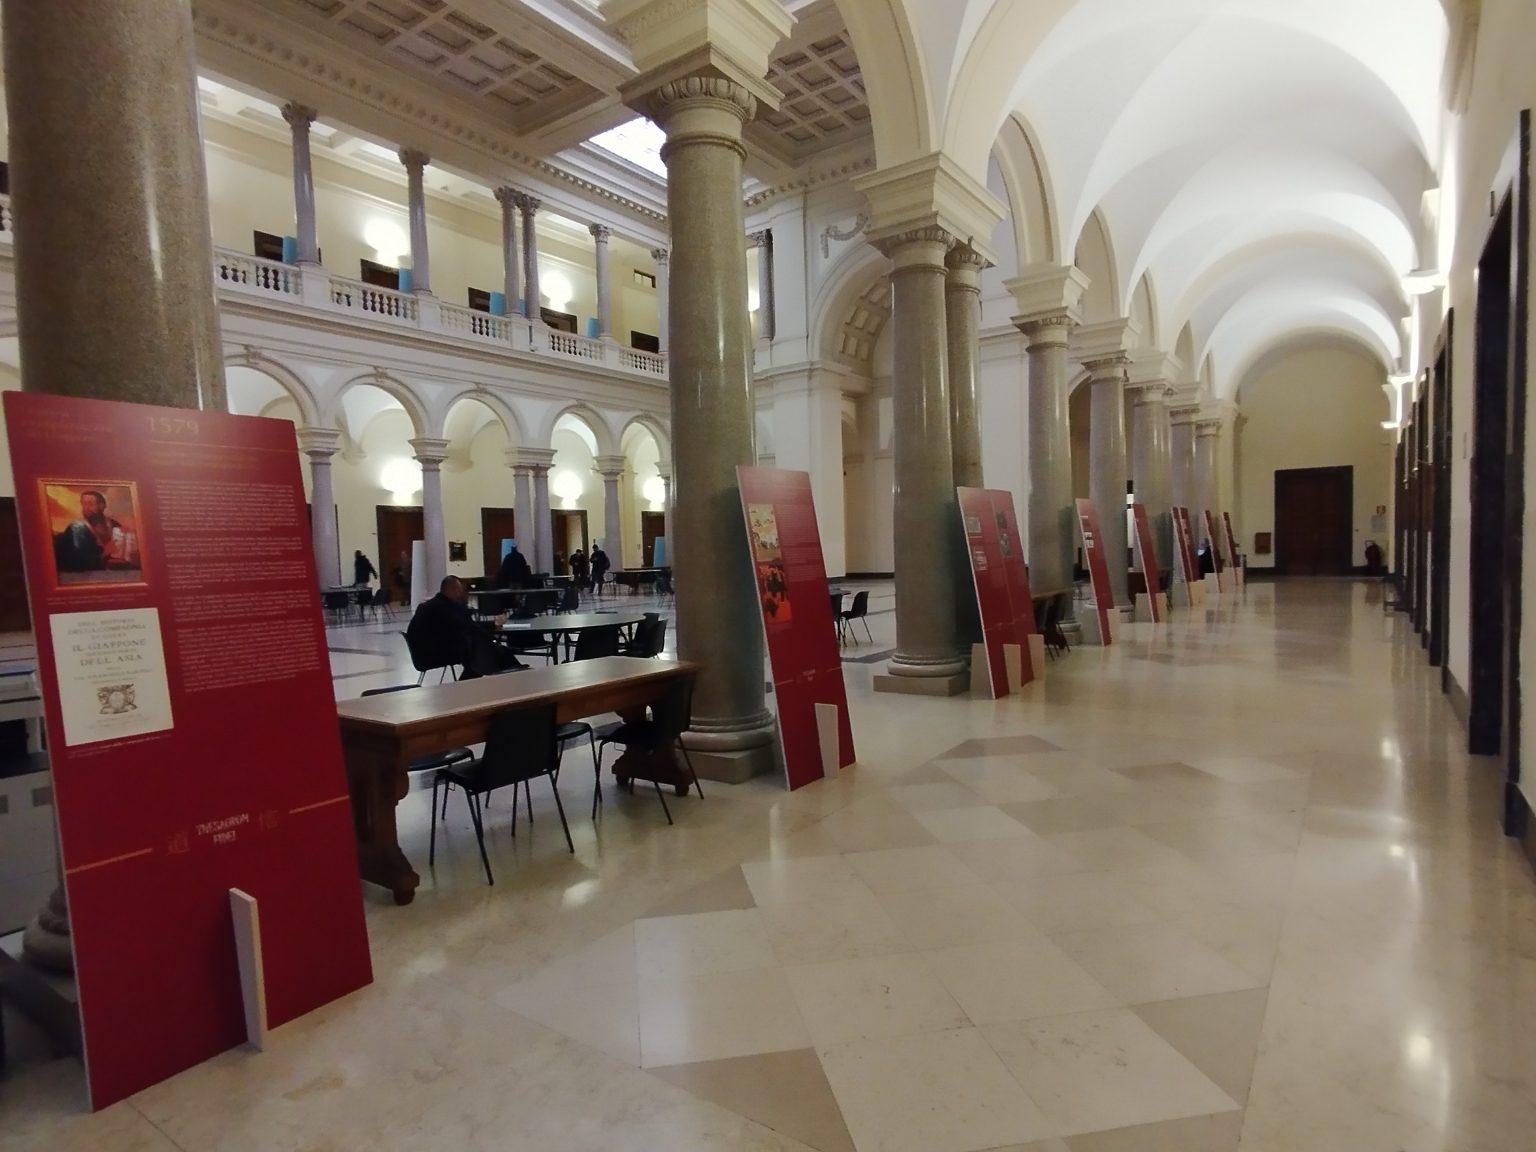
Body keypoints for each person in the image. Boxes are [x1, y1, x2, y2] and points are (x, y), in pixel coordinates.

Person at [406, 576, 525, 679]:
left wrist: (491, 624)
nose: (462, 593)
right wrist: (493, 624)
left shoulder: (433, 605)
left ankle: (504, 666)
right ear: (453, 590)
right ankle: (511, 670)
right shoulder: (444, 608)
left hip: (424, 653)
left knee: (478, 648)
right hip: (433, 655)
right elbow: (468, 626)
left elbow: (465, 625)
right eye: (460, 590)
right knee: (478, 649)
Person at [54, 490, 130, 573]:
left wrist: (126, 534)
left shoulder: (112, 523)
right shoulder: (77, 528)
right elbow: (78, 563)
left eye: (90, 504)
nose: (86, 508)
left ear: (102, 505)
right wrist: (104, 552)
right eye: (84, 504)